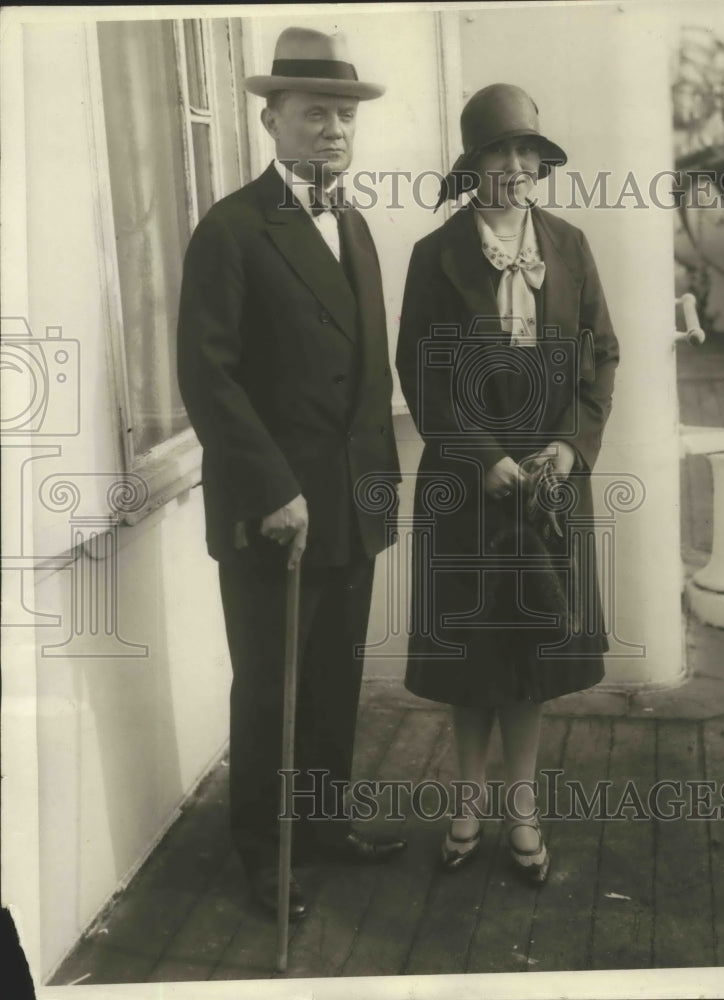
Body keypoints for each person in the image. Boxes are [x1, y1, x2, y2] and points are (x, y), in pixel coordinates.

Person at [177, 26, 406, 922]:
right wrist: (272, 490)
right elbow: (209, 377)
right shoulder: (232, 229)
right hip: (273, 511)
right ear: (270, 120)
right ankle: (265, 855)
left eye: (345, 115)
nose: (334, 130)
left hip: (349, 503)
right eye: (315, 113)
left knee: (333, 681)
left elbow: (364, 370)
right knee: (272, 687)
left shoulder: (353, 224)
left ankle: (320, 825)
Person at [395, 84, 619, 884]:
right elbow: (420, 372)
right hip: (468, 484)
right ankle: (467, 803)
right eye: (500, 152)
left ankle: (522, 810)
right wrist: (481, 454)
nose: (516, 166)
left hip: (547, 486)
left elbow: (601, 356)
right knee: (472, 657)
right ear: (473, 166)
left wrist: (569, 445)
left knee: (527, 655)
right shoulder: (435, 256)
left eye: (528, 152)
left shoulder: (569, 246)